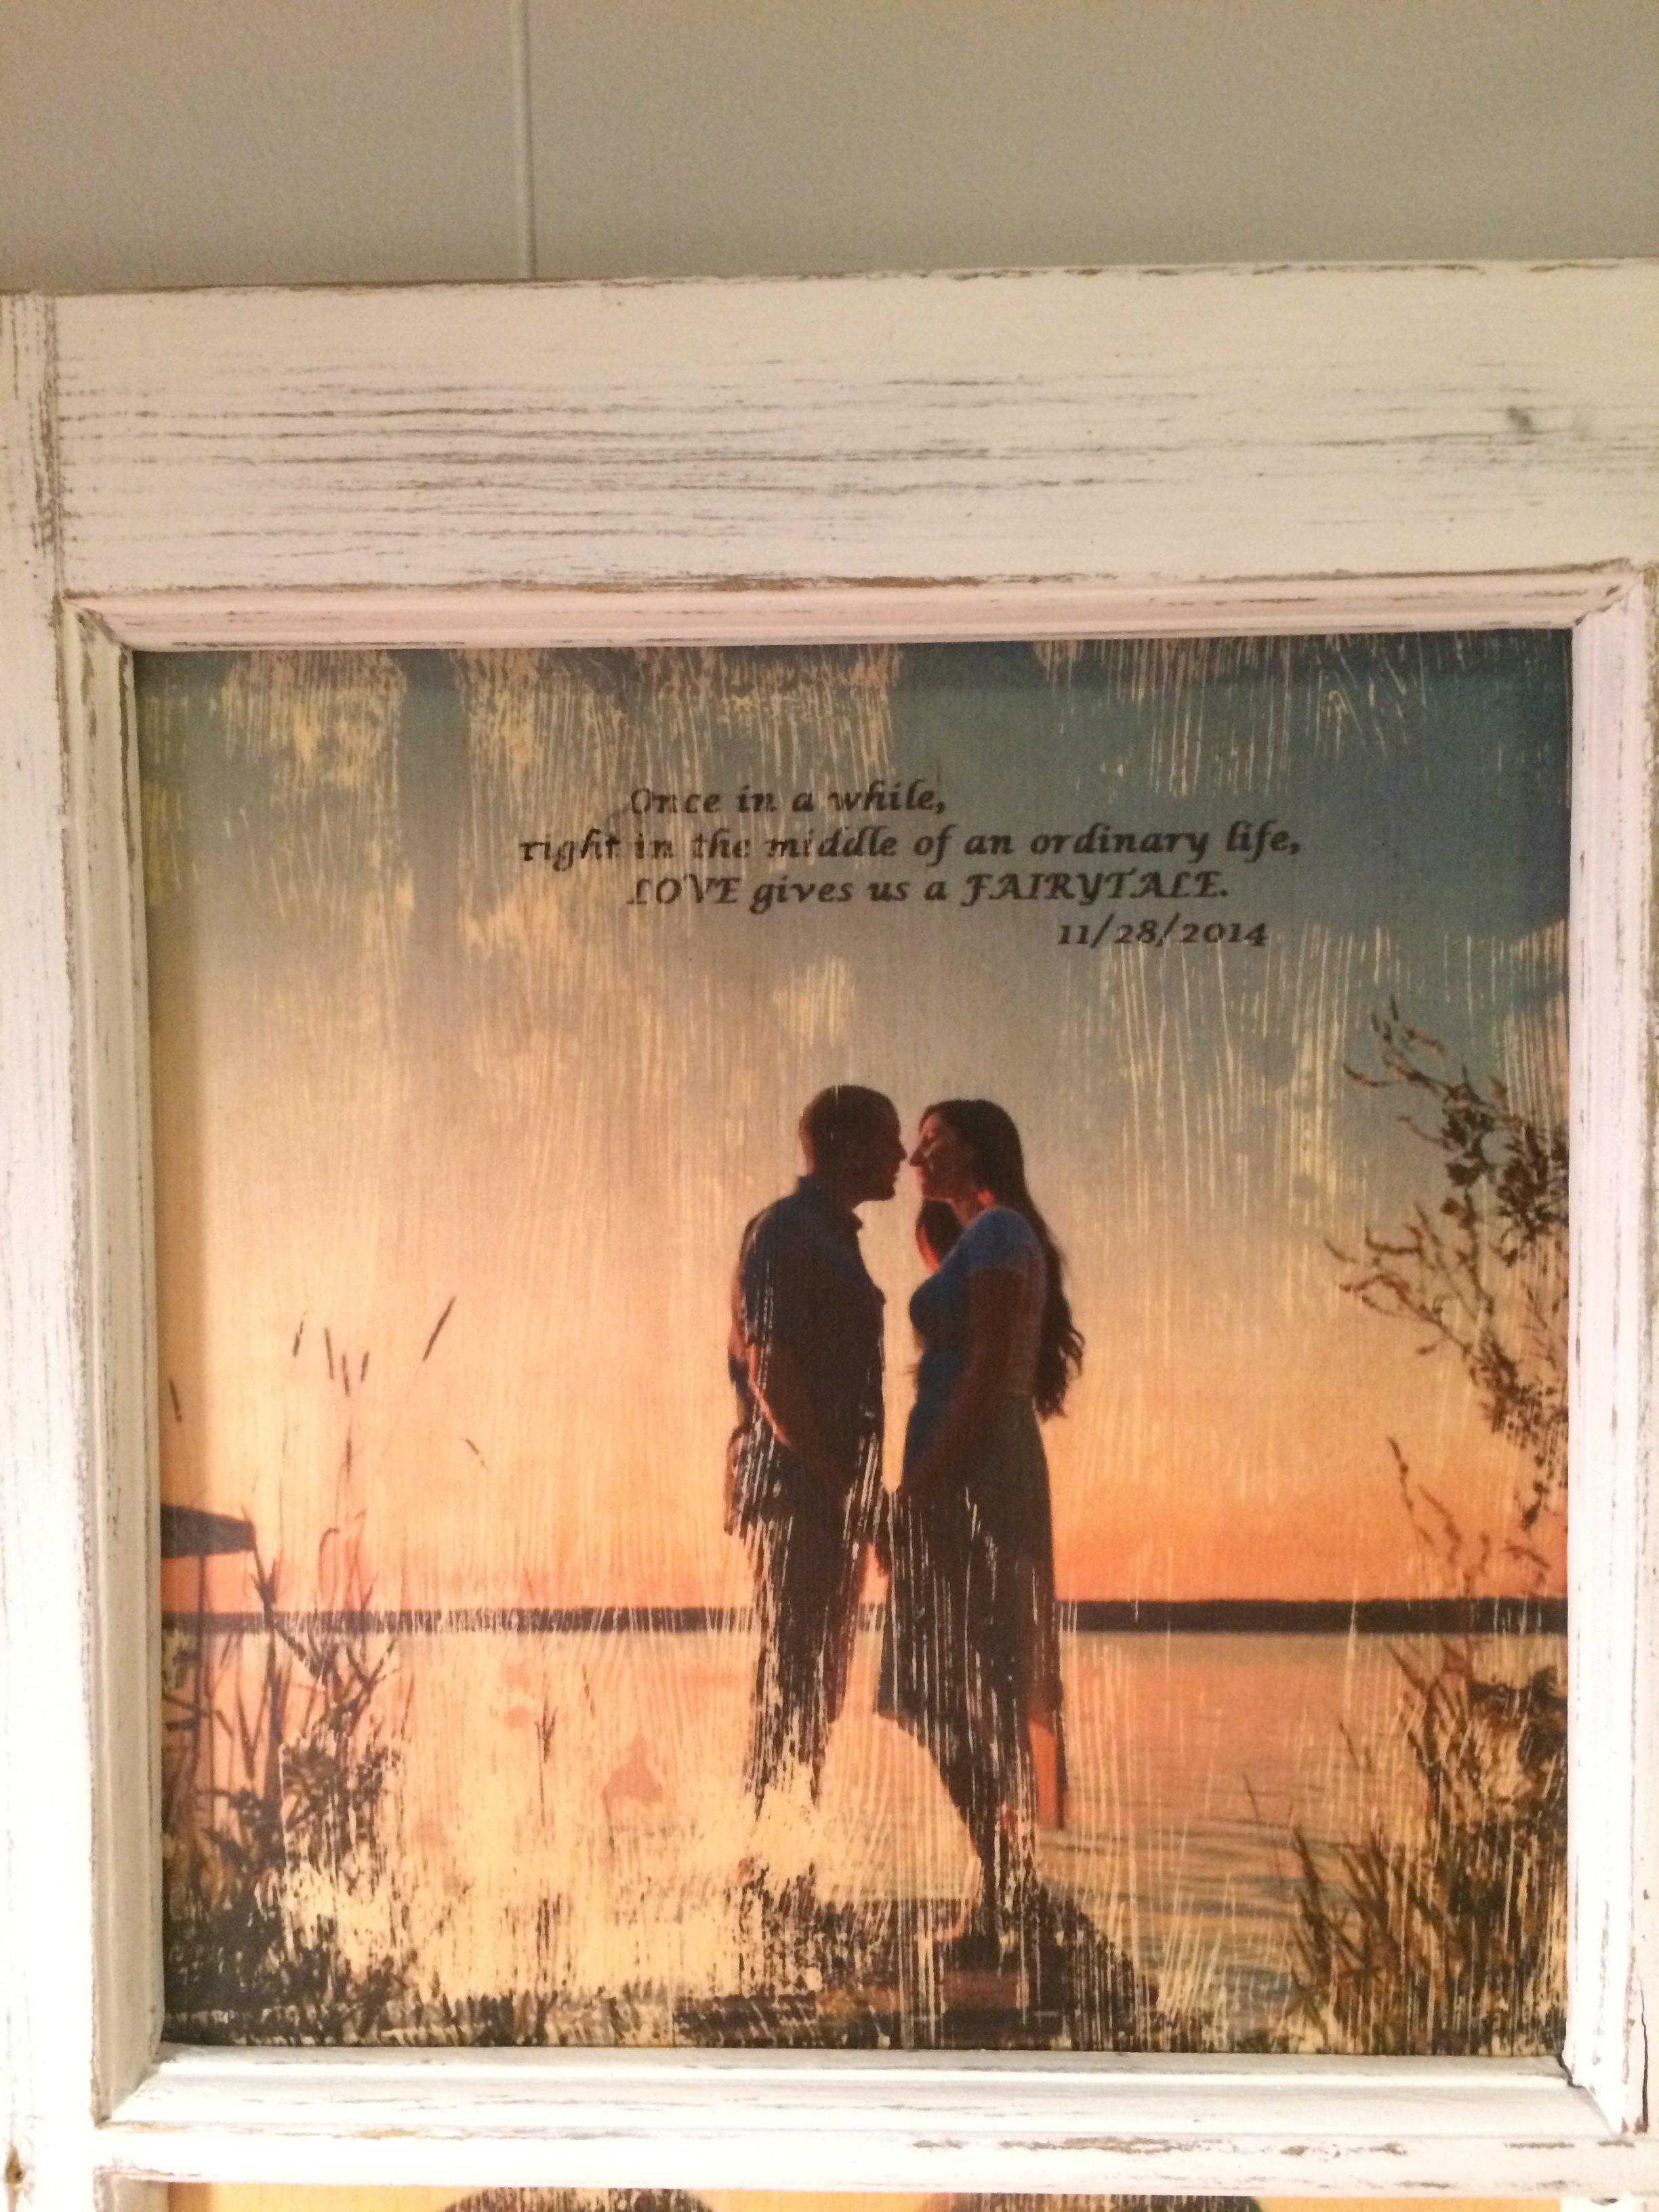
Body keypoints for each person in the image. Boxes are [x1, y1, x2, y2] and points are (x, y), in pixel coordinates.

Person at [878, 1098, 1082, 1955]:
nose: (915, 1155)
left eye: (933, 1139)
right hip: (972, 1461)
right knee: (962, 1679)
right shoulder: (984, 1235)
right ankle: (1005, 1887)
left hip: (975, 1468)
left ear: (977, 1149)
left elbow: (991, 1365)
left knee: (952, 1680)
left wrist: (921, 1488)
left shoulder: (999, 1233)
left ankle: (1004, 1893)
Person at [726, 1084, 906, 1808]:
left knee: (813, 1694)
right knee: (793, 1687)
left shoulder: (828, 1237)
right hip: (796, 1494)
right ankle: (766, 1866)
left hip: (825, 1498)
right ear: (848, 1146)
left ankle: (787, 1861)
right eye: (889, 1139)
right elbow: (770, 1373)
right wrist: (844, 1491)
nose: (902, 1155)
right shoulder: (787, 1232)